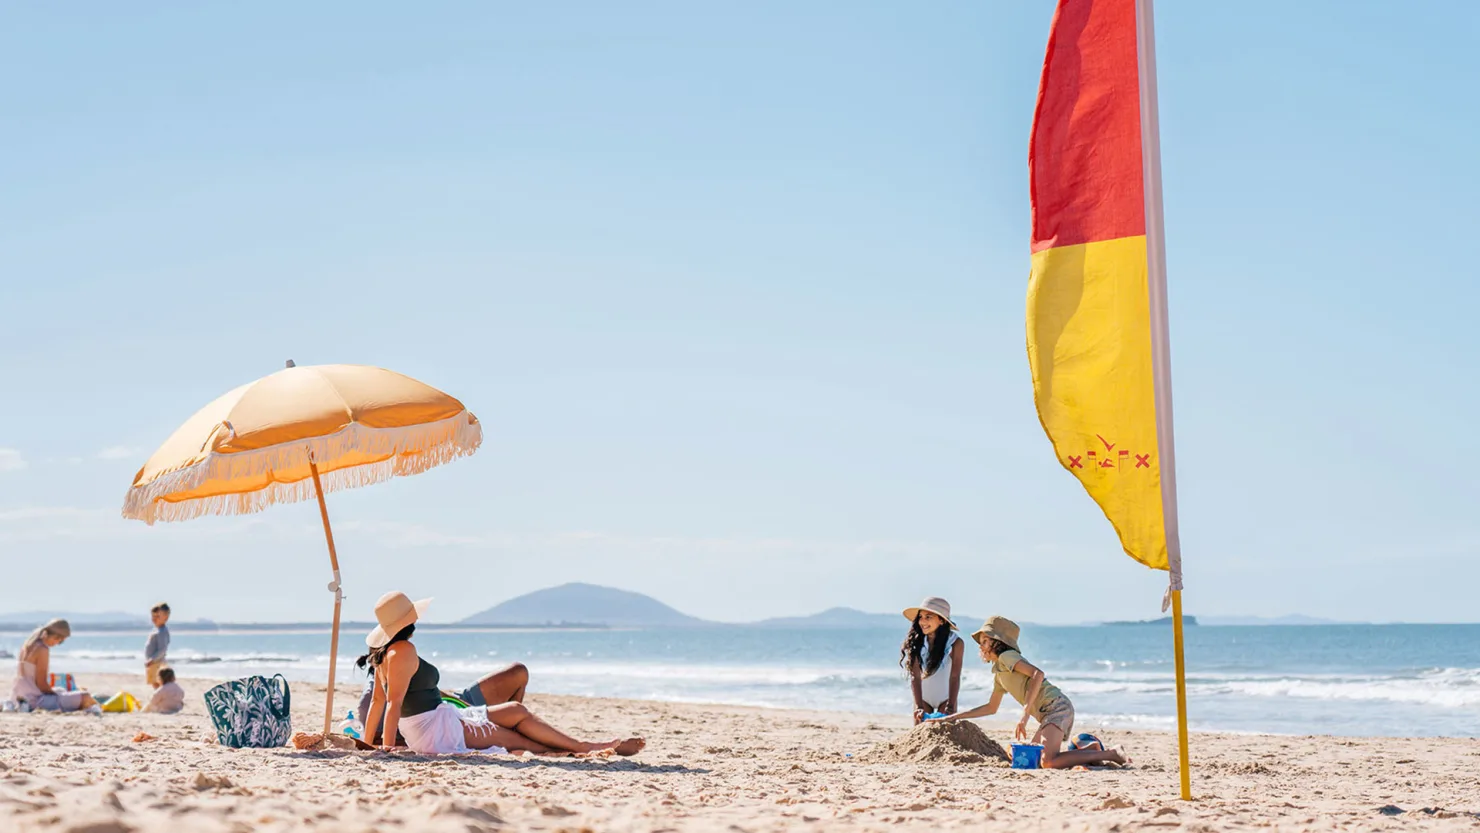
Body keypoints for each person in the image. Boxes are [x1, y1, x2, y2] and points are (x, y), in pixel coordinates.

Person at [359, 591, 645, 757]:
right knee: (520, 741)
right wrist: (384, 749)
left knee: (516, 710)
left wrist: (366, 743)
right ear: (408, 620)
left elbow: (377, 703)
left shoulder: (387, 654)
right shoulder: (403, 651)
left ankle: (584, 746)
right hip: (436, 730)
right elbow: (392, 704)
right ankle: (585, 749)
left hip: (441, 718)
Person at [929, 616, 1128, 769]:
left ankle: (1111, 754)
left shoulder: (1007, 656)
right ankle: (1091, 751)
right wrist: (952, 718)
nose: (980, 647)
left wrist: (1024, 715)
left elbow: (1037, 674)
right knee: (1033, 760)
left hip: (1056, 707)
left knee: (1047, 762)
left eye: (984, 641)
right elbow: (991, 707)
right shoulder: (999, 672)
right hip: (1048, 713)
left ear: (996, 642)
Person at [355, 661, 529, 746]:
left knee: (518, 671)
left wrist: (469, 709)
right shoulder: (371, 702)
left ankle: (512, 730)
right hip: (451, 721)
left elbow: (438, 694)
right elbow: (380, 741)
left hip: (457, 703)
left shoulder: (401, 670)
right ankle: (512, 734)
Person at [11, 619, 100, 713]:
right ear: (56, 637)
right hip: (35, 700)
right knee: (85, 696)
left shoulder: (28, 644)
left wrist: (56, 692)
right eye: (60, 641)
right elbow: (41, 684)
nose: (58, 644)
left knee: (61, 690)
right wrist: (54, 694)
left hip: (19, 695)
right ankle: (99, 708)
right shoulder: (42, 649)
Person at [900, 596, 965, 724]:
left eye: (928, 617)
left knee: (945, 735)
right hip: (923, 698)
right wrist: (918, 706)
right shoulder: (916, 642)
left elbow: (955, 676)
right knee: (921, 737)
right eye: (921, 617)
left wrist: (951, 705)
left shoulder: (955, 643)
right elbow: (915, 677)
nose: (922, 621)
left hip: (946, 699)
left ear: (941, 620)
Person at [144, 602, 171, 688]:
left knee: (158, 683)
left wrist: (152, 659)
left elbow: (162, 649)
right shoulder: (157, 630)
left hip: (157, 662)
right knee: (154, 682)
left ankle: (161, 698)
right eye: (153, 616)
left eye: (158, 617)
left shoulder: (162, 631)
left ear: (166, 617)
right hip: (153, 663)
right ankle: (160, 698)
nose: (154, 619)